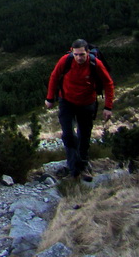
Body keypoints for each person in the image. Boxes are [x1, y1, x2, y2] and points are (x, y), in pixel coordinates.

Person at [44, 39, 114, 181]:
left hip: (87, 103)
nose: (79, 58)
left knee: (84, 135)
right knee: (68, 134)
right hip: (67, 101)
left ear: (87, 52)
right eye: (76, 55)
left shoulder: (95, 64)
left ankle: (82, 164)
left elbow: (108, 83)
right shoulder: (66, 60)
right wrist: (50, 98)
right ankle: (74, 169)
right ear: (72, 52)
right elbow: (54, 76)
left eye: (82, 54)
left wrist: (108, 107)